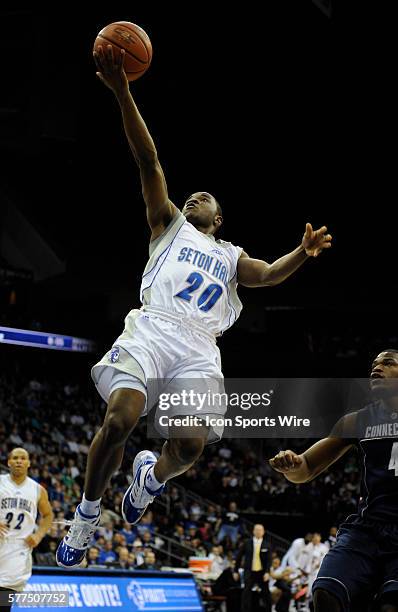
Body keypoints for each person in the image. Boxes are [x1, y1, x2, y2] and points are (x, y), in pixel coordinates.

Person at [56, 42, 332, 568]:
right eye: (192, 196)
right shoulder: (168, 225)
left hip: (199, 349)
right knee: (119, 420)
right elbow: (148, 159)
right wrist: (122, 93)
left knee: (188, 448)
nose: (194, 199)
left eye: (205, 198)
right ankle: (88, 515)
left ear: (220, 218)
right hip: (153, 331)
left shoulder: (230, 257)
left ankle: (149, 479)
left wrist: (303, 251)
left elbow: (270, 275)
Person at [269, 350, 398, 612]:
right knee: (326, 592)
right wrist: (291, 465)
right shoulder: (356, 420)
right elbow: (306, 469)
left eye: (388, 362)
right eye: (374, 363)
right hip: (367, 529)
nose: (377, 367)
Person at [0, 448, 53, 611]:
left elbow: (48, 515)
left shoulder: (37, 489)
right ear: (9, 462)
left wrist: (38, 535)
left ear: (28, 463)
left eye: (23, 458)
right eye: (15, 458)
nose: (19, 461)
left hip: (18, 549)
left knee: (3, 600)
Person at [235, 523, 271, 612]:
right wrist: (235, 570)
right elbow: (239, 557)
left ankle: (268, 609)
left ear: (263, 532)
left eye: (260, 530)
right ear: (253, 531)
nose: (258, 532)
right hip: (249, 571)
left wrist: (267, 572)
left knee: (266, 592)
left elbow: (268, 560)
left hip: (261, 572)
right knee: (246, 592)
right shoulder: (247, 543)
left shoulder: (267, 544)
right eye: (257, 530)